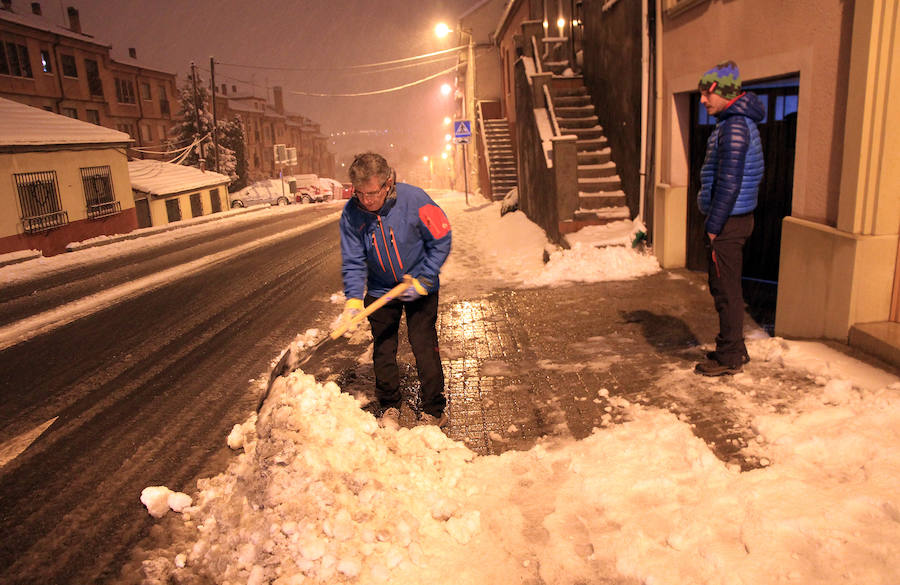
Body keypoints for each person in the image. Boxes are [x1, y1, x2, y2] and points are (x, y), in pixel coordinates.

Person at [339, 152, 452, 426]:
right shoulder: (353, 214)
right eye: (360, 193)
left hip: (419, 282)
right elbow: (353, 259)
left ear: (388, 183)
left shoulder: (415, 200)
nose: (366, 200)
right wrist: (354, 299)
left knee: (423, 343)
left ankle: (434, 410)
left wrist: (425, 276)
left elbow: (441, 237)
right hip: (380, 289)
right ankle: (390, 405)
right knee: (383, 347)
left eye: (372, 193)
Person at [694, 61, 765, 377]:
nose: (702, 101)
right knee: (728, 287)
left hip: (728, 222)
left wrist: (713, 226)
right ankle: (733, 345)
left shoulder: (734, 126)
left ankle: (729, 357)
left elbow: (729, 182)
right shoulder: (734, 122)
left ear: (723, 92)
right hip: (735, 219)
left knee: (725, 290)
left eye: (706, 94)